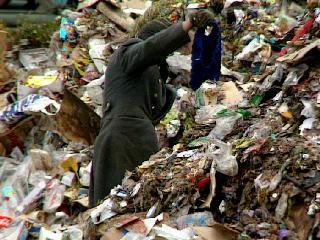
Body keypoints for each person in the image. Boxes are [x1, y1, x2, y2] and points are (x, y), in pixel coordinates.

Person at [89, 10, 215, 208]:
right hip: (122, 138)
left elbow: (158, 104)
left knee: (133, 202)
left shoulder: (150, 71)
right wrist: (187, 25)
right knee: (112, 205)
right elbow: (151, 48)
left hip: (135, 138)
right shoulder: (128, 52)